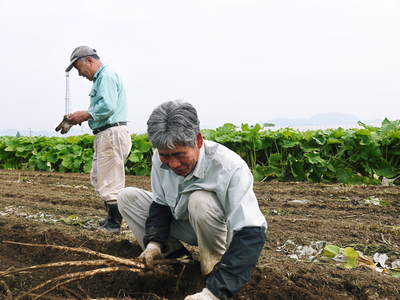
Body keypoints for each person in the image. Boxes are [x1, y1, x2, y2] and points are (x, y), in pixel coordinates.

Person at [117, 100, 267, 300]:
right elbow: (161, 204)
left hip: (216, 229)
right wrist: (153, 242)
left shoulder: (229, 167)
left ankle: (212, 271)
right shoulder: (159, 157)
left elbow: (251, 231)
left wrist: (215, 294)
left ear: (197, 140)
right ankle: (179, 263)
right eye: (165, 156)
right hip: (184, 222)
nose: (173, 164)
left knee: (199, 199)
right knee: (127, 197)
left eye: (179, 155)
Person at [62, 46, 132, 233]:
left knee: (110, 180)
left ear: (89, 60)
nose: (79, 74)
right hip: (106, 133)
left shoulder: (106, 76)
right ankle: (111, 218)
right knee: (99, 177)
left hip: (111, 133)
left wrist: (84, 115)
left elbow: (107, 107)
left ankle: (114, 224)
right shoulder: (102, 78)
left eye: (78, 68)